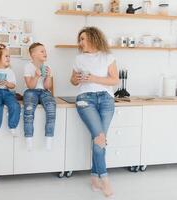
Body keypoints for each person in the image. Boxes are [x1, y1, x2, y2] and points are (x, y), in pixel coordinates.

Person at [70, 27, 119, 197]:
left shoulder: (108, 57)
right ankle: (105, 180)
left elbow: (114, 80)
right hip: (85, 99)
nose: (80, 42)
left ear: (93, 38)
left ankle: (94, 177)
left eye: (83, 38)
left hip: (106, 99)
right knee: (99, 138)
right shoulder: (79, 59)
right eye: (80, 39)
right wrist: (75, 79)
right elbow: (73, 80)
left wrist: (93, 78)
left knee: (100, 140)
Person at [23, 42, 56, 151]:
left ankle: (49, 138)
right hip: (31, 91)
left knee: (51, 109)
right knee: (29, 112)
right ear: (33, 55)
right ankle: (28, 139)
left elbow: (48, 86)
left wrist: (49, 76)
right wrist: (36, 76)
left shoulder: (48, 67)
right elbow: (30, 86)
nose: (45, 53)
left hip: (44, 91)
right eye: (42, 51)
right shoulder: (28, 67)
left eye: (45, 51)